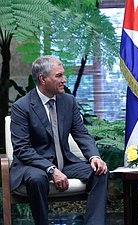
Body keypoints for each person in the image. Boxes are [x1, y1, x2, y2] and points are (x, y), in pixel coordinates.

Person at [10, 55, 108, 225]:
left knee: (100, 173)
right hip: (34, 165)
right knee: (37, 179)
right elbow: (22, 149)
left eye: (63, 75)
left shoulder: (68, 101)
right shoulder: (22, 107)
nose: (64, 80)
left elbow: (81, 134)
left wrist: (94, 157)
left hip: (66, 163)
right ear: (42, 79)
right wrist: (51, 169)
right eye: (59, 76)